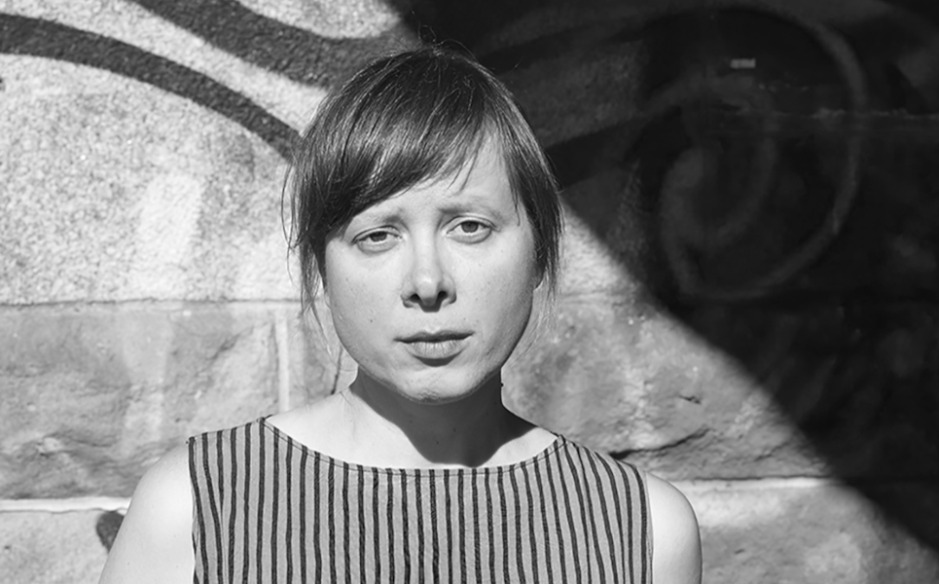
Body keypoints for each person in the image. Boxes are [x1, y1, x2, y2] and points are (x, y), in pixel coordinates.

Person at [99, 46, 701, 584]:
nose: (428, 283)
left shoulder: (641, 531)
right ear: (321, 266)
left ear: (539, 250)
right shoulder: (199, 509)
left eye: (470, 227)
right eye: (378, 236)